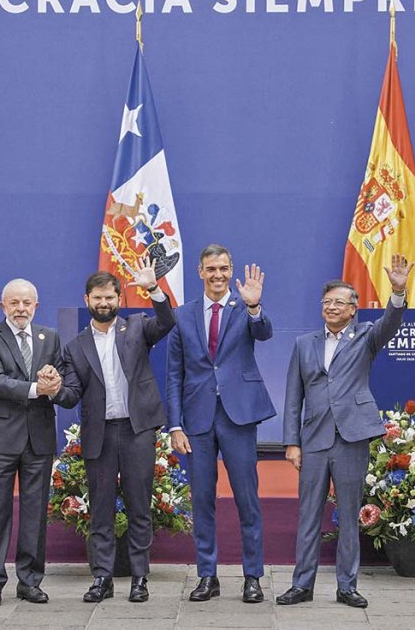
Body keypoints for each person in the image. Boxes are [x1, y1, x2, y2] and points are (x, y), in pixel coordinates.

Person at [277, 254, 413, 608]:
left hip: (351, 437)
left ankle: (347, 586)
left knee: (349, 516)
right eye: (327, 302)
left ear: (353, 309)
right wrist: (292, 442)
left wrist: (398, 291)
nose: (331, 307)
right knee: (308, 515)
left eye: (339, 302)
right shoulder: (304, 344)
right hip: (314, 439)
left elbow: (391, 321)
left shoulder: (366, 336)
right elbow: (293, 397)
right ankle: (301, 585)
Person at [61, 256, 176, 603]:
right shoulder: (74, 346)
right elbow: (70, 395)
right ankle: (102, 577)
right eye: (97, 297)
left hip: (137, 430)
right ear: (87, 300)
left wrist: (153, 287)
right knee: (101, 509)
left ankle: (140, 577)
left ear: (119, 298)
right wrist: (53, 390)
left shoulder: (137, 327)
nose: (103, 303)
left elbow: (167, 321)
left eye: (109, 297)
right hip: (99, 435)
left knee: (139, 506)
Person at [165, 244, 275, 603]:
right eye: (211, 269)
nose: (218, 275)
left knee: (247, 499)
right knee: (202, 501)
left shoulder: (246, 307)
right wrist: (174, 425)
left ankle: (252, 577)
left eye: (224, 269)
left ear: (231, 271)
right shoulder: (182, 315)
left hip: (238, 417)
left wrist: (254, 306)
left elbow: (264, 333)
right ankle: (207, 576)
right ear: (200, 272)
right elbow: (174, 375)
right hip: (197, 420)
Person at [0, 278, 73, 607]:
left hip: (38, 439)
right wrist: (36, 389)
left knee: (35, 515)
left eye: (26, 303)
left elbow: (59, 376)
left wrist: (55, 382)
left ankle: (30, 581)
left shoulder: (49, 336)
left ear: (36, 306)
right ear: (2, 306)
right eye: (14, 302)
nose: (20, 309)